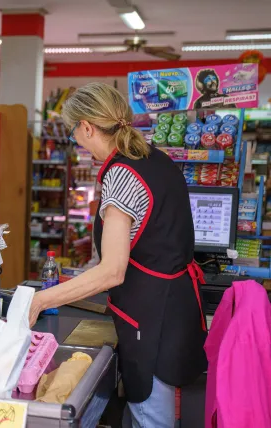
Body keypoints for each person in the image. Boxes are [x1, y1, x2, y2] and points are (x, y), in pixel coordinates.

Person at [28, 83, 207, 428]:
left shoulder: (122, 175)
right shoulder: (155, 159)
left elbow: (112, 271)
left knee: (151, 417)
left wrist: (40, 299)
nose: (76, 139)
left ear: (87, 127)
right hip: (174, 306)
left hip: (153, 319)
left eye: (74, 130)